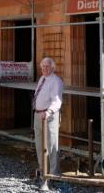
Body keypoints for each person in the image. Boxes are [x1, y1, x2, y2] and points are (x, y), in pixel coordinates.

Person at [32, 57, 64, 185]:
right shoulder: (42, 79)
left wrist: (48, 112)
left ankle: (54, 174)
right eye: (43, 66)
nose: (44, 69)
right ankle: (43, 170)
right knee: (39, 145)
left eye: (47, 66)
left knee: (51, 145)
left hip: (49, 116)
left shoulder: (56, 81)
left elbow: (57, 101)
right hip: (38, 115)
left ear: (52, 67)